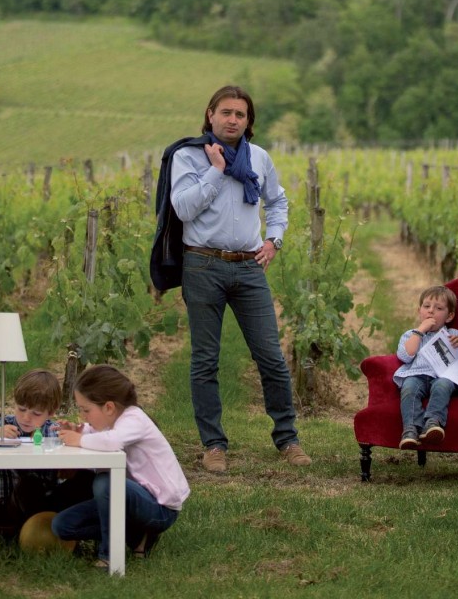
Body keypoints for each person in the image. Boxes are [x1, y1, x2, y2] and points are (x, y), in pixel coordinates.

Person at [170, 84, 311, 473]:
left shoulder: (259, 158)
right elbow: (182, 208)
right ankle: (213, 445)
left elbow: (277, 200)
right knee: (205, 361)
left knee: (271, 356)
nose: (233, 119)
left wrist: (274, 240)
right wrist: (215, 172)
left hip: (250, 266)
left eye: (241, 114)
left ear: (249, 122)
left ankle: (287, 438)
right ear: (210, 114)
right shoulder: (188, 156)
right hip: (202, 265)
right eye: (226, 112)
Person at [52, 364, 189, 568]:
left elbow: (111, 441)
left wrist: (78, 440)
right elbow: (100, 434)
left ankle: (109, 556)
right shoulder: (112, 422)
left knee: (106, 483)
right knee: (62, 526)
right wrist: (78, 432)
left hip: (160, 508)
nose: (83, 417)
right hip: (130, 502)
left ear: (109, 407)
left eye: (86, 410)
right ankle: (136, 534)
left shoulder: (134, 418)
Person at [0, 369, 92, 535]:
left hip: (47, 501)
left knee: (86, 479)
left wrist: (72, 441)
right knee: (29, 485)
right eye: (21, 409)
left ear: (51, 412)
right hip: (11, 503)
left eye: (36, 413)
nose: (26, 418)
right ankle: (26, 529)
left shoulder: (54, 430)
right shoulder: (3, 424)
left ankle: (64, 526)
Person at [394, 285, 458, 448]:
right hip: (417, 374)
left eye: (438, 308)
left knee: (442, 385)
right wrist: (420, 331)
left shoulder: (455, 335)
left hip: (444, 375)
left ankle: (433, 423)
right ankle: (410, 429)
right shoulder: (411, 334)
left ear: (449, 316)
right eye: (426, 306)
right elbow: (405, 355)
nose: (431, 311)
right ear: (419, 311)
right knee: (409, 388)